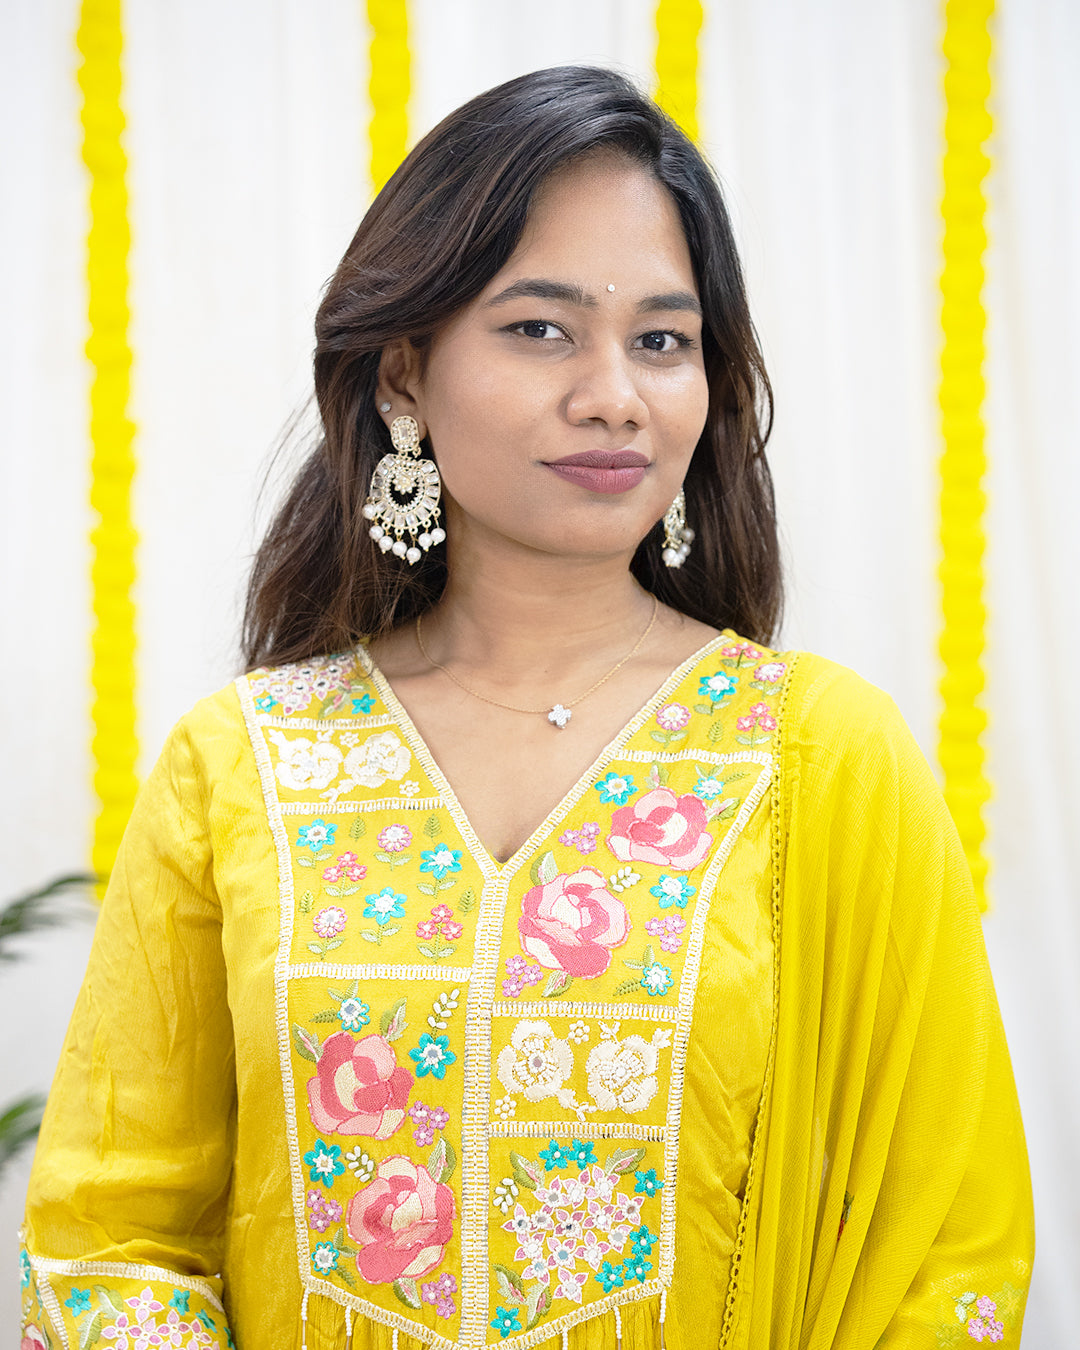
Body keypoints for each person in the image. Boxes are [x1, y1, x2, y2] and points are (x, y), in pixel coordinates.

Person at [19, 66, 1032, 1350]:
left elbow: (945, 1254)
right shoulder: (249, 766)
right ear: (401, 375)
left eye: (662, 340)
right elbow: (115, 1233)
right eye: (541, 329)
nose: (615, 393)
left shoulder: (818, 757)